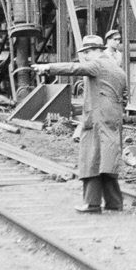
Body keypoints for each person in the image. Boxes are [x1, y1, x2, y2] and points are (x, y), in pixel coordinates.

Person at [32, 34, 127, 212]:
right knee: (107, 160)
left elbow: (74, 68)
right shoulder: (117, 68)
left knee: (91, 160)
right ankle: (114, 203)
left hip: (96, 119)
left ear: (95, 50)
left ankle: (92, 203)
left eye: (86, 52)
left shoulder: (97, 64)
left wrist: (48, 67)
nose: (85, 56)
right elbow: (125, 96)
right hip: (113, 118)